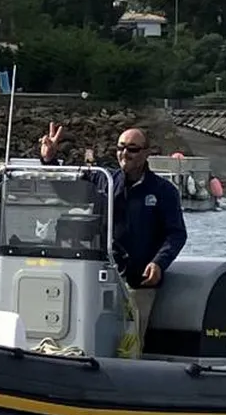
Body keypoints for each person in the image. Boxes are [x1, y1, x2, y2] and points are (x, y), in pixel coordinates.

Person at [38, 122, 187, 354]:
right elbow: (66, 192)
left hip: (139, 283)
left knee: (130, 343)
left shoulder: (163, 191)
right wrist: (49, 160)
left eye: (132, 149)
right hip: (99, 278)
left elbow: (176, 234)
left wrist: (159, 262)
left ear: (147, 152)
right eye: (120, 148)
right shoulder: (104, 180)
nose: (124, 154)